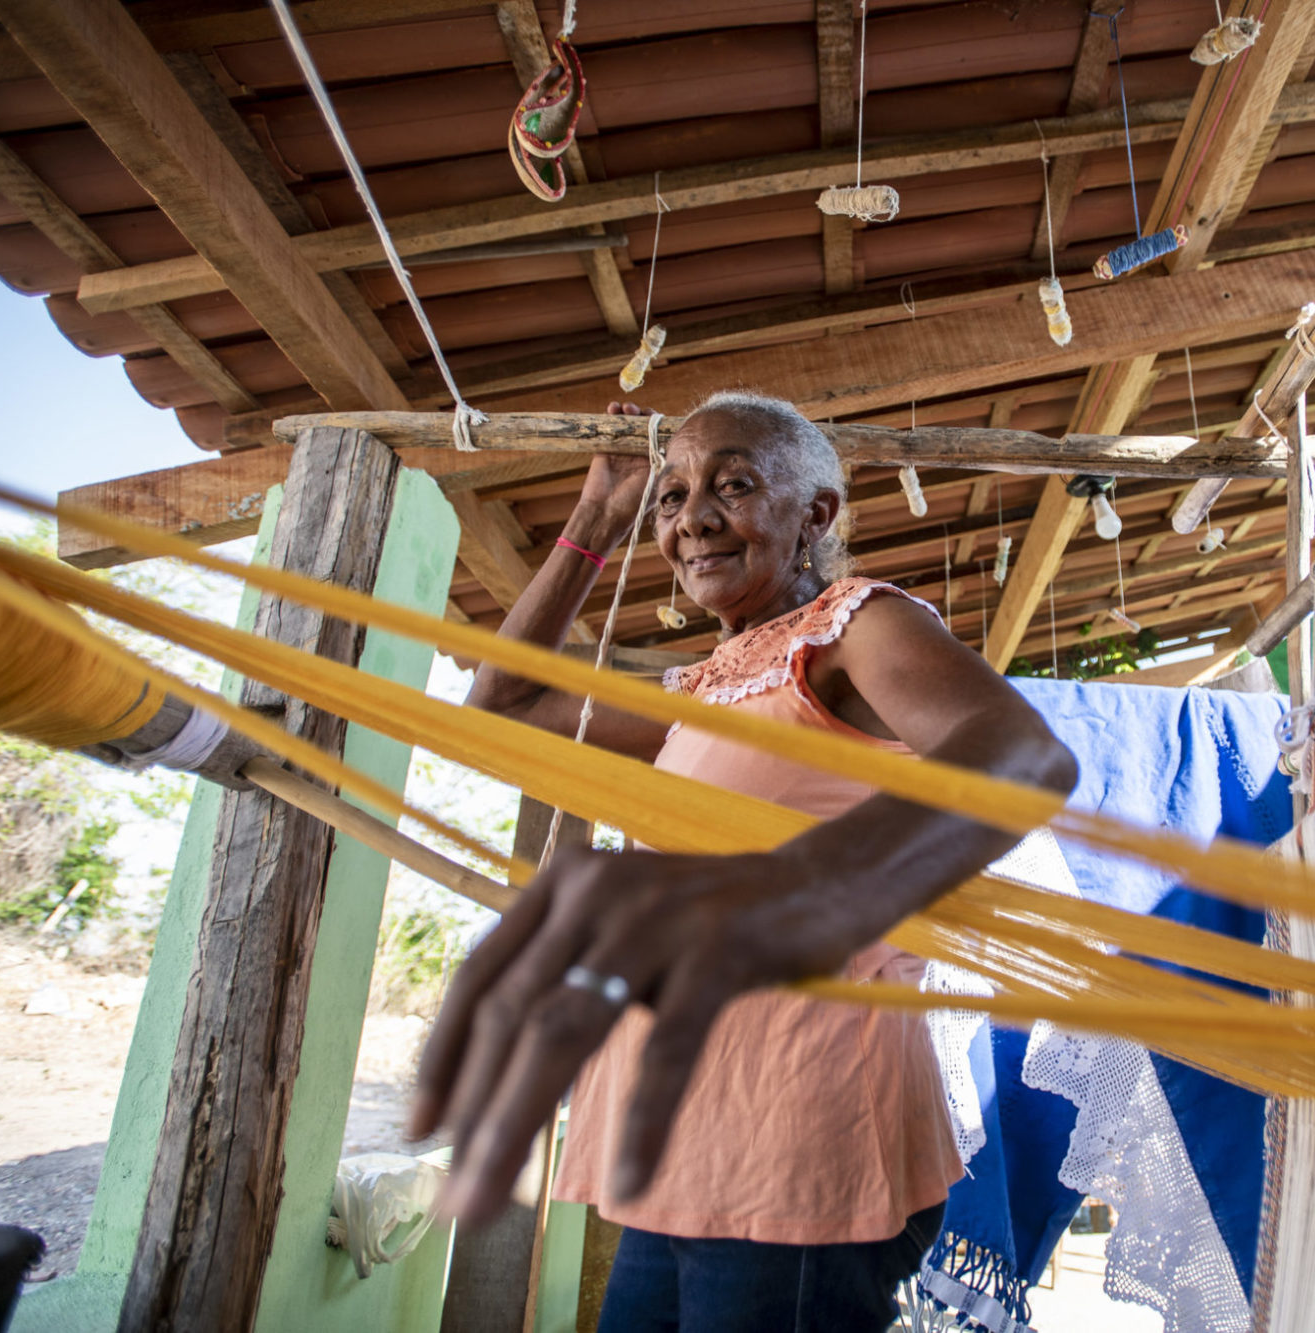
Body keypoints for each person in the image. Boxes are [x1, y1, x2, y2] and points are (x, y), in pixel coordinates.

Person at [411, 390, 1078, 1331]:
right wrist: (600, 513)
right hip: (681, 1125)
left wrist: (817, 885)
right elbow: (503, 711)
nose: (693, 520)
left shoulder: (855, 627)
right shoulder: (706, 691)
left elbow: (1022, 757)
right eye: (674, 498)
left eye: (734, 485)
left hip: (800, 1126)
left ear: (816, 515)